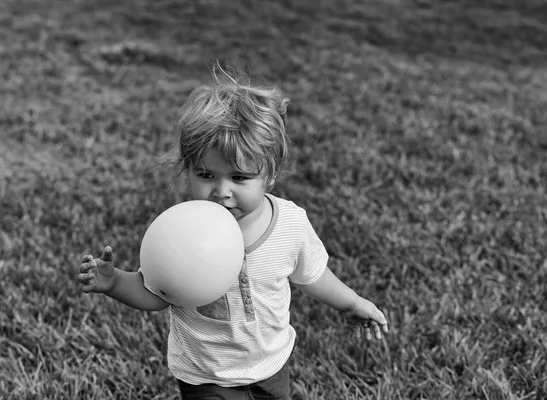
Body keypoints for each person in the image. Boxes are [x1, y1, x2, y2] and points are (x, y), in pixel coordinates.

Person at [77, 63, 389, 400]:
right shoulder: (183, 231)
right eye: (207, 175)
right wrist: (114, 283)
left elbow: (311, 274)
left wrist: (351, 303)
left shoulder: (289, 224)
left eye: (239, 178)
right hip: (205, 374)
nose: (222, 190)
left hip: (270, 365)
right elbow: (156, 292)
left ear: (269, 175)